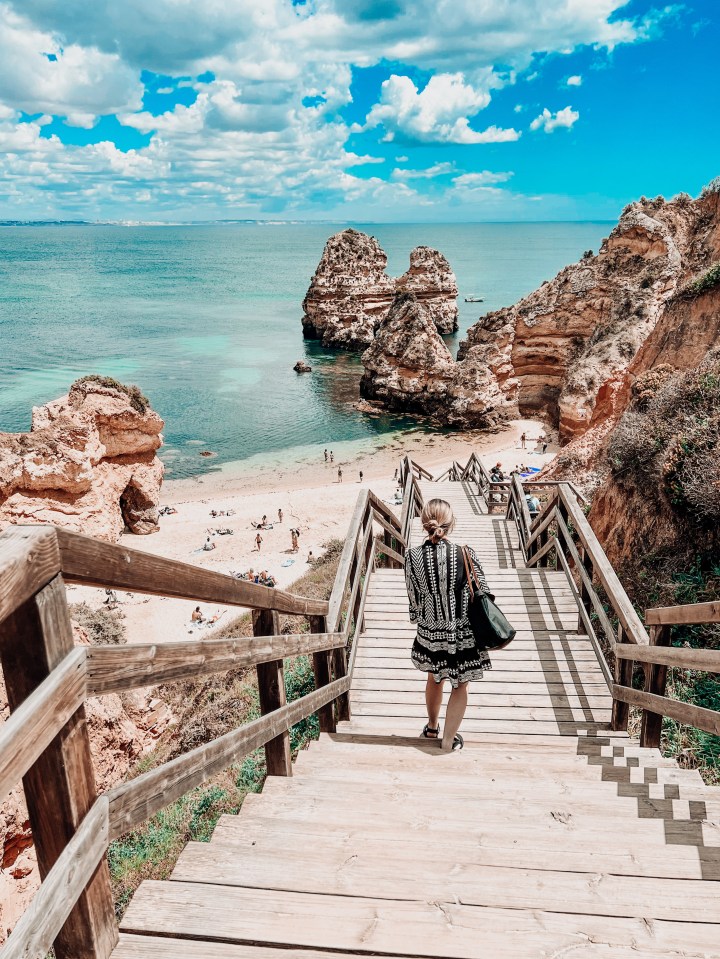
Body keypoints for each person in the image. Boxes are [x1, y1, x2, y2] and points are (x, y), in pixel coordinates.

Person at [404, 499, 493, 752]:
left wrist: (425, 619)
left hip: (430, 632)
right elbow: (483, 590)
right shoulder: (465, 552)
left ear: (424, 524)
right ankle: (447, 740)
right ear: (451, 523)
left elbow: (414, 601)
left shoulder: (411, 557)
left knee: (434, 679)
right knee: (460, 684)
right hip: (461, 630)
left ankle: (432, 727)